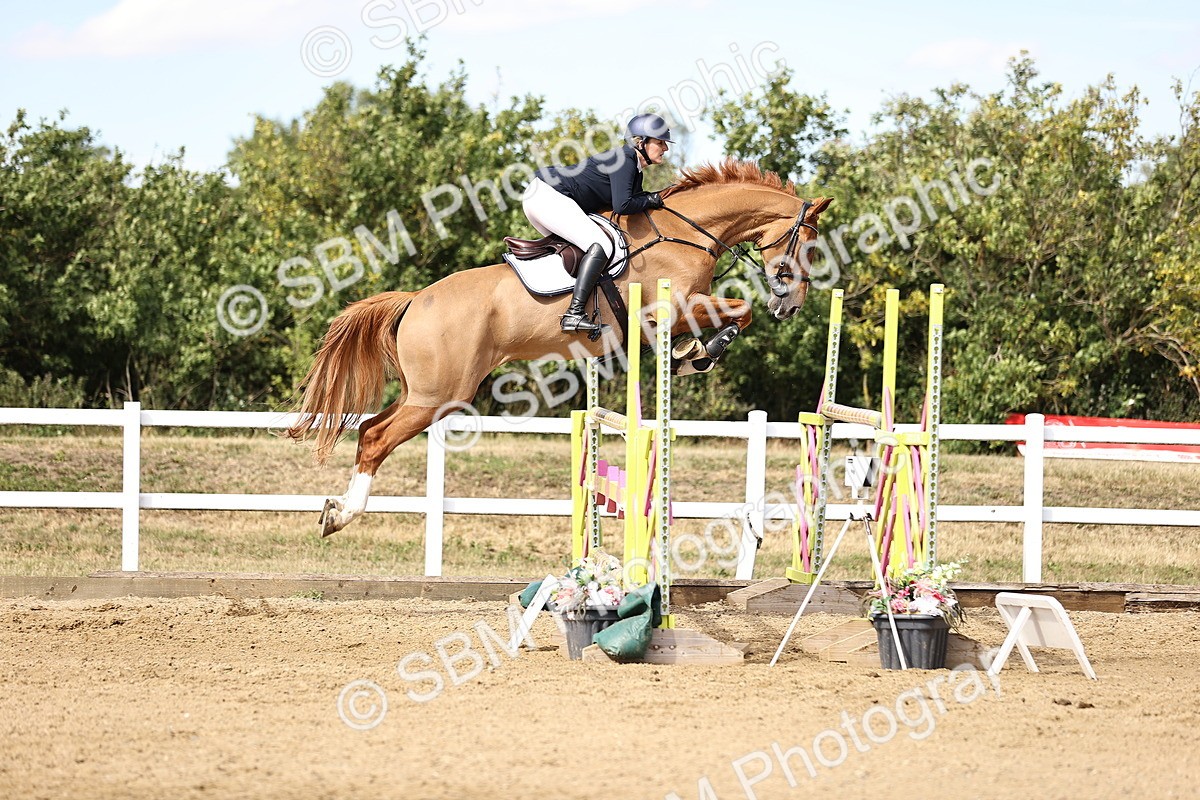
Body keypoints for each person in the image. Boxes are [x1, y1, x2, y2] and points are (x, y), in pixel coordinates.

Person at [522, 113, 672, 334]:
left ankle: (566, 307)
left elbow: (629, 202)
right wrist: (652, 199)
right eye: (660, 142)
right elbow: (623, 205)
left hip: (541, 195)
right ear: (640, 142)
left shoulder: (633, 169)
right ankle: (574, 314)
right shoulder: (625, 159)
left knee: (582, 252)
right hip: (547, 195)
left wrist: (652, 198)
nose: (665, 148)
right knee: (602, 245)